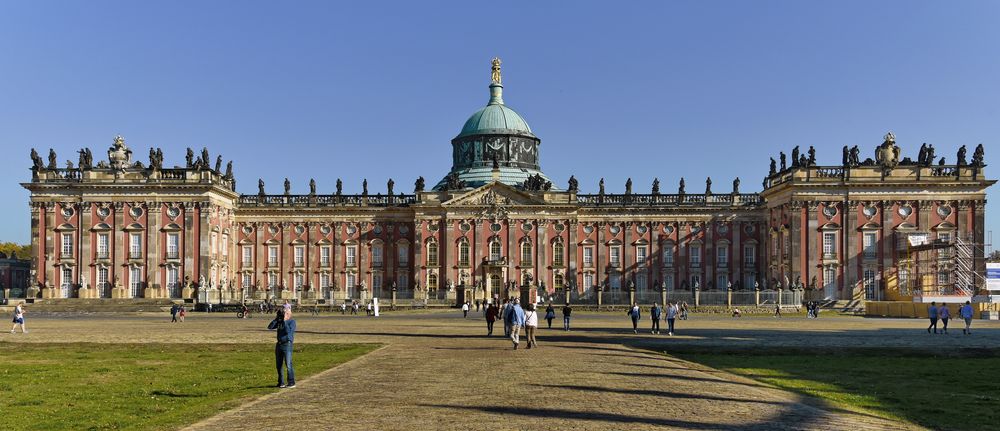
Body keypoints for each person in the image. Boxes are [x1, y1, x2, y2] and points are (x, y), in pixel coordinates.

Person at [267, 309, 297, 388]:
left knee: (288, 364)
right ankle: (281, 382)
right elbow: (270, 327)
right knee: (279, 365)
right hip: (279, 344)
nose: (283, 314)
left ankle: (291, 382)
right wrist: (276, 319)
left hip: (287, 344)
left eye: (285, 313)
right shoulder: (279, 321)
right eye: (283, 313)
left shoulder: (292, 322)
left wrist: (285, 321)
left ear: (289, 314)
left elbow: (288, 331)